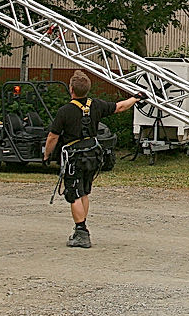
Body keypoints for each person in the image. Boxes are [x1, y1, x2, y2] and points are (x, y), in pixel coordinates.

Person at [43, 71, 142, 248]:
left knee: (73, 194)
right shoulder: (95, 105)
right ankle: (81, 227)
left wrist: (46, 154)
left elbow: (53, 136)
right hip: (93, 156)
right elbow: (120, 107)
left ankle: (81, 232)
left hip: (75, 157)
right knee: (84, 192)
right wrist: (136, 98)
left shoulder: (65, 111)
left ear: (71, 89)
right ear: (87, 89)